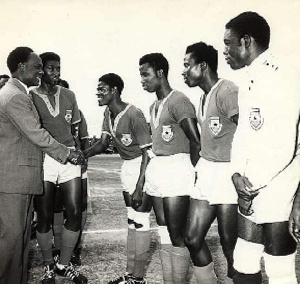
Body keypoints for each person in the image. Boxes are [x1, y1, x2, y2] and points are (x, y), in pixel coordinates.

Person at [223, 11, 300, 284]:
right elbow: (244, 134)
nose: (225, 51)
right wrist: (235, 174)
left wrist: (249, 184)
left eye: (228, 43)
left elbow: (283, 145)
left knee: (279, 270)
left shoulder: (282, 75)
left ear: (245, 41)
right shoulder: (249, 79)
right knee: (243, 260)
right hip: (251, 185)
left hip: (279, 184)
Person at [0, 46, 83, 284]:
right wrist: (67, 153)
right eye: (38, 67)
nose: (40, 72)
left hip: (19, 179)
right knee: (11, 241)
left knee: (20, 240)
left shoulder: (17, 93)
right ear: (21, 67)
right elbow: (37, 134)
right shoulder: (15, 96)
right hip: (13, 180)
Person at [83, 73, 153, 284]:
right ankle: (131, 275)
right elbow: (103, 144)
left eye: (102, 88)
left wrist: (140, 186)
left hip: (143, 167)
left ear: (114, 90)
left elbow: (148, 153)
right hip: (127, 167)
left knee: (141, 220)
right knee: (131, 220)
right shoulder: (108, 112)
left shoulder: (134, 114)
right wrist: (82, 154)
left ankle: (139, 278)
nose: (98, 92)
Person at [139, 53, 201, 283]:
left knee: (177, 235)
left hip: (177, 168)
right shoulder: (154, 106)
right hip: (158, 168)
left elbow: (196, 141)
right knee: (164, 231)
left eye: (145, 74)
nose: (142, 80)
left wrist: (192, 173)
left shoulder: (178, 100)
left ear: (160, 73)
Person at [182, 42, 239, 284]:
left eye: (187, 66)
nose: (183, 72)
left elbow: (249, 131)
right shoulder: (203, 98)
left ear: (202, 65)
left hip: (228, 172)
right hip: (207, 171)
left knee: (230, 245)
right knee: (192, 238)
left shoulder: (227, 91)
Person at [31, 52, 87, 284]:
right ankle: (47, 266)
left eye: (58, 68)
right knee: (43, 217)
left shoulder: (69, 95)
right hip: (45, 159)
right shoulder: (30, 96)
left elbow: (74, 131)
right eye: (51, 68)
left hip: (69, 159)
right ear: (41, 70)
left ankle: (64, 264)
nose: (56, 73)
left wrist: (78, 154)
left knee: (74, 213)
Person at [52, 79, 90, 267]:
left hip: (76, 165)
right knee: (57, 206)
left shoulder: (78, 114)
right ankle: (58, 247)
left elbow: (84, 139)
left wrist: (84, 162)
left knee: (79, 206)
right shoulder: (48, 113)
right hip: (56, 164)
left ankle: (75, 248)